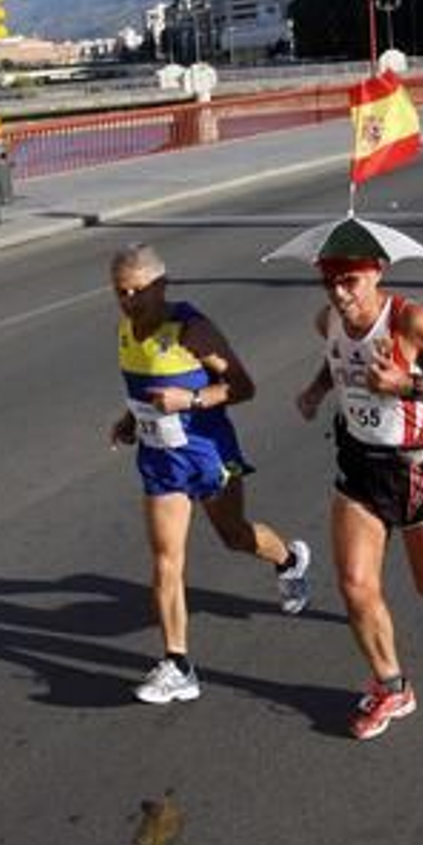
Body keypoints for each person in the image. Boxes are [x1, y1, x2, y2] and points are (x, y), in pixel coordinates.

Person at [294, 254, 423, 741]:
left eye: (350, 282)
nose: (340, 294)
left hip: (420, 466)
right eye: (330, 283)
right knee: (355, 583)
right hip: (360, 467)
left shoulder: (411, 321)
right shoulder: (329, 320)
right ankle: (392, 686)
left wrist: (405, 384)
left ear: (377, 274)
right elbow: (335, 357)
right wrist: (317, 390)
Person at [107, 243, 312, 705]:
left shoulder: (192, 330)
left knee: (235, 536)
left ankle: (288, 561)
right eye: (120, 292)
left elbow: (243, 387)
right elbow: (143, 388)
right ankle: (178, 663)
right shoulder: (124, 328)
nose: (129, 300)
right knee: (165, 559)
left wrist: (189, 400)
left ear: (162, 285)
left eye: (138, 290)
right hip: (160, 460)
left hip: (207, 452)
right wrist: (129, 421)